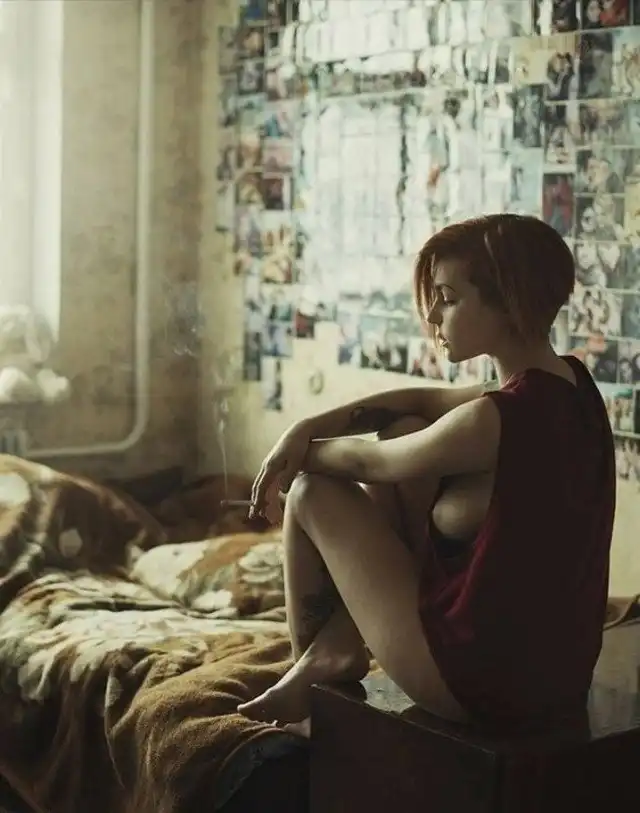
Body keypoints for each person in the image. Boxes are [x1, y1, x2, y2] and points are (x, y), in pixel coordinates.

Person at [237, 214, 616, 739]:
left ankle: (316, 692)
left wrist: (296, 456)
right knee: (406, 427)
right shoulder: (572, 384)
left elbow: (369, 464)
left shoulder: (491, 420)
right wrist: (305, 428)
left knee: (309, 492)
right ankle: (334, 646)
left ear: (509, 304)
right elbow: (418, 402)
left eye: (449, 298)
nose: (434, 314)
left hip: (481, 685)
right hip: (557, 678)